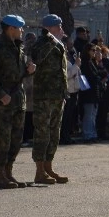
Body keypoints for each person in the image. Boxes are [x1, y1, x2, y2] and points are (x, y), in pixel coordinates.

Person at [0, 14, 36, 189]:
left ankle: (8, 172)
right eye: (20, 27)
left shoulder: (19, 49)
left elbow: (17, 75)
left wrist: (29, 71)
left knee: (16, 139)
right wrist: (0, 94)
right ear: (11, 28)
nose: (22, 30)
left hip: (18, 100)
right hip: (3, 102)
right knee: (2, 139)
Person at [29, 14, 70, 184]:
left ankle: (48, 167)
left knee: (54, 133)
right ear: (48, 28)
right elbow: (37, 59)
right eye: (57, 26)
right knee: (42, 133)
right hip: (44, 96)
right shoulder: (40, 43)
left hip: (57, 95)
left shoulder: (58, 44)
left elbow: (62, 71)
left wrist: (64, 93)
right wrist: (53, 41)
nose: (61, 29)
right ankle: (39, 171)